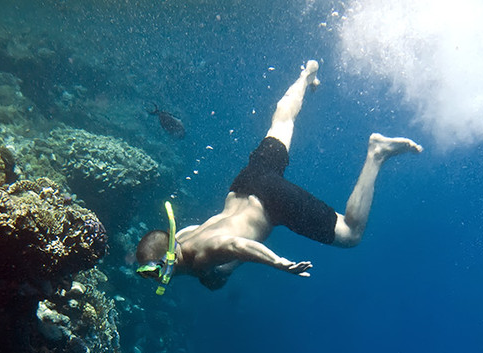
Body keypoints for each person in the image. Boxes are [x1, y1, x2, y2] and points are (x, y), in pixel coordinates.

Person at [136, 60, 422, 291]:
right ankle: (307, 74)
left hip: (273, 201)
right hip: (246, 183)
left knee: (350, 234)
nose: (152, 280)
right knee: (281, 124)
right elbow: (229, 247)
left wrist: (278, 263)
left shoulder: (200, 255)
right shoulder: (183, 237)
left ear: (167, 261)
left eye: (151, 273)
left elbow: (238, 244)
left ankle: (376, 153)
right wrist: (220, 274)